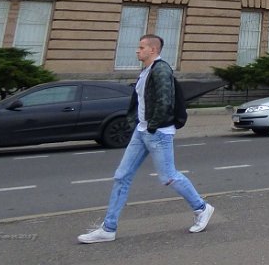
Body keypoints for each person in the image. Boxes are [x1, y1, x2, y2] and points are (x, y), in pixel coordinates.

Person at [78, 34, 214, 243]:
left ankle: (202, 208)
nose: (137, 50)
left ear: (153, 50)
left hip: (157, 132)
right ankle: (108, 228)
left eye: (141, 47)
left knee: (169, 176)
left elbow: (165, 101)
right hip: (141, 132)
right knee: (121, 176)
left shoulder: (161, 69)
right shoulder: (146, 71)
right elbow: (140, 101)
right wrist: (137, 124)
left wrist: (152, 126)